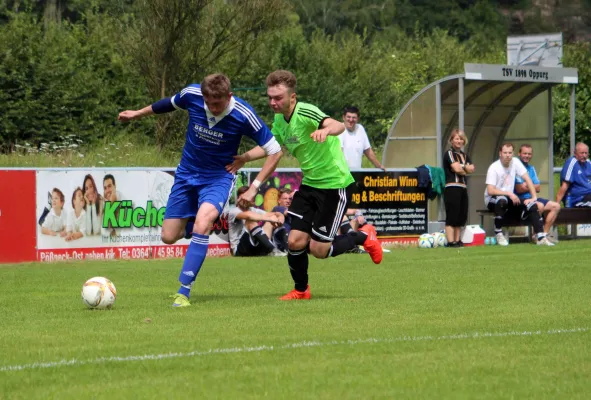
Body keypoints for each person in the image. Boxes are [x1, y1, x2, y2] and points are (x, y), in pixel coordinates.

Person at [118, 73, 283, 307]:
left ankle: (183, 291)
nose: (213, 108)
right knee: (168, 237)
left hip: (218, 178)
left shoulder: (244, 115)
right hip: (186, 175)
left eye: (218, 103)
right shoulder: (192, 94)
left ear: (229, 96)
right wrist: (137, 114)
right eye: (209, 103)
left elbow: (275, 150)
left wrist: (253, 185)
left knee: (203, 224)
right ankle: (192, 224)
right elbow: (168, 104)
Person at [228, 70, 383, 300]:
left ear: (292, 97)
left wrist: (325, 130)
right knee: (295, 241)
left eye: (278, 97)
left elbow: (338, 125)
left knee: (319, 250)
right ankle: (301, 290)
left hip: (334, 185)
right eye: (270, 97)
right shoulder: (280, 120)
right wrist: (244, 158)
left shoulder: (306, 111)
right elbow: (272, 149)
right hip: (310, 185)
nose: (273, 102)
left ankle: (363, 236)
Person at [484, 143, 553, 246]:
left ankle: (540, 237)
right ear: (500, 153)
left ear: (513, 153)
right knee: (502, 200)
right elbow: (490, 190)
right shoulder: (494, 167)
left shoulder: (515, 162)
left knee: (531, 204)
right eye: (505, 152)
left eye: (510, 153)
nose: (507, 155)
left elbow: (528, 179)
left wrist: (534, 197)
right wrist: (509, 193)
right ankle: (498, 233)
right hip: (492, 200)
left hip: (509, 198)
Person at [514, 144, 561, 237]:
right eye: (524, 153)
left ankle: (544, 234)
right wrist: (531, 185)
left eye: (529, 154)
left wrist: (526, 185)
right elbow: (519, 189)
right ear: (519, 154)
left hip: (532, 198)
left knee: (556, 206)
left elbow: (538, 187)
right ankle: (536, 235)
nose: (527, 156)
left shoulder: (531, 168)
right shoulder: (515, 168)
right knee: (539, 206)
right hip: (520, 200)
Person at [228, 186, 285, 256]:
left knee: (269, 222)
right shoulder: (234, 211)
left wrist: (280, 216)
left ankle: (280, 249)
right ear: (238, 198)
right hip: (239, 250)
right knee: (251, 221)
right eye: (242, 198)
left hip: (252, 247)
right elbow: (249, 216)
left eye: (246, 197)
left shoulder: (252, 209)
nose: (244, 200)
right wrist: (270, 219)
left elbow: (272, 214)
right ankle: (272, 250)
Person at [443, 129, 475, 247]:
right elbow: (457, 169)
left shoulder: (465, 155)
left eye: (461, 139)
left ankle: (458, 240)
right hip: (452, 187)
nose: (459, 141)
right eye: (456, 138)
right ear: (451, 140)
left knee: (461, 215)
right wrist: (464, 168)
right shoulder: (449, 153)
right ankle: (451, 241)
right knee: (452, 214)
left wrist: (463, 168)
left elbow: (472, 169)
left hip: (462, 187)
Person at [338, 106, 385, 170]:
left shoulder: (360, 129)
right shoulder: (339, 130)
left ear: (358, 119)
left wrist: (379, 166)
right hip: (343, 173)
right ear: (343, 117)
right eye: (348, 117)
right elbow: (338, 153)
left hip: (357, 173)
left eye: (354, 117)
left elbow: (368, 151)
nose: (351, 120)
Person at [556, 142, 591, 207]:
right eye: (582, 153)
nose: (584, 155)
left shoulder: (588, 163)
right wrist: (557, 204)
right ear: (575, 153)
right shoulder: (572, 163)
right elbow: (564, 186)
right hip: (577, 199)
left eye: (586, 153)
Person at [271, 187, 293, 252]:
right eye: (285, 199)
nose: (288, 201)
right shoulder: (277, 209)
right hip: (281, 243)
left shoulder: (294, 213)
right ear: (279, 200)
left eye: (290, 199)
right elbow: (286, 212)